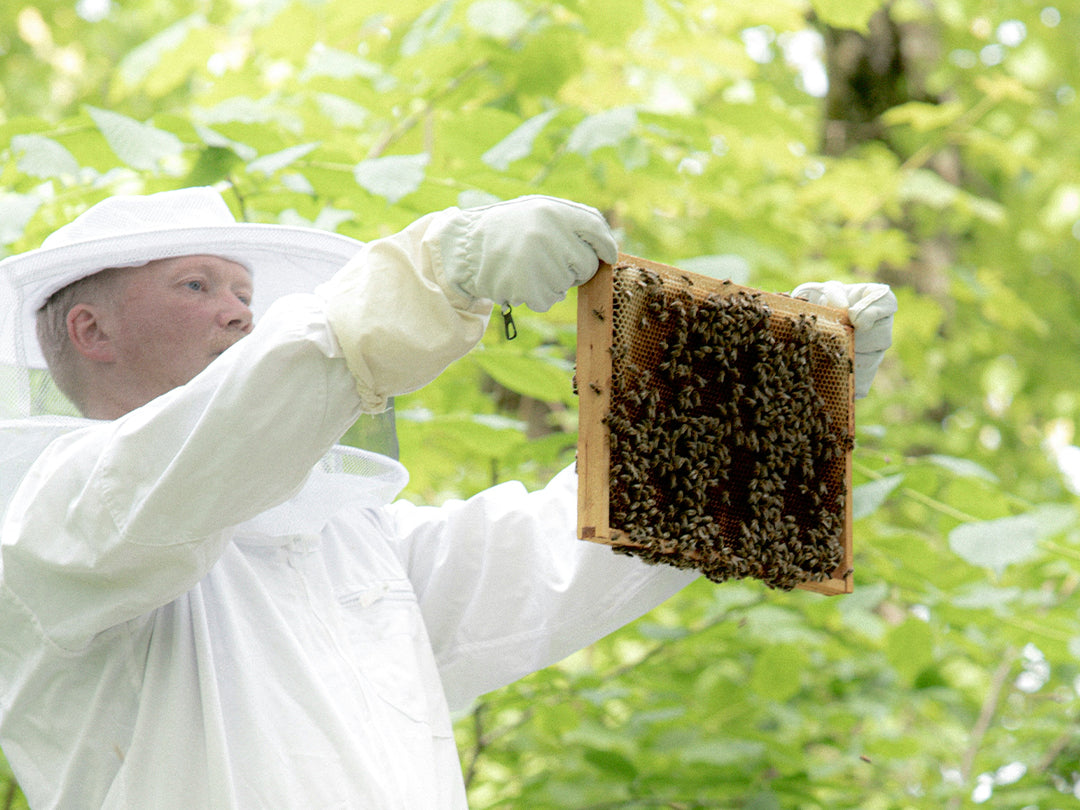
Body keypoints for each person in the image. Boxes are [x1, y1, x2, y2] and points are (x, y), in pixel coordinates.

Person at [0, 186, 896, 809]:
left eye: (245, 291)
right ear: (92, 330)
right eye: (197, 287)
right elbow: (199, 454)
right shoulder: (47, 522)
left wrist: (767, 400)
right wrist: (434, 277)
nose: (241, 313)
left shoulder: (347, 547)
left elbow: (549, 559)